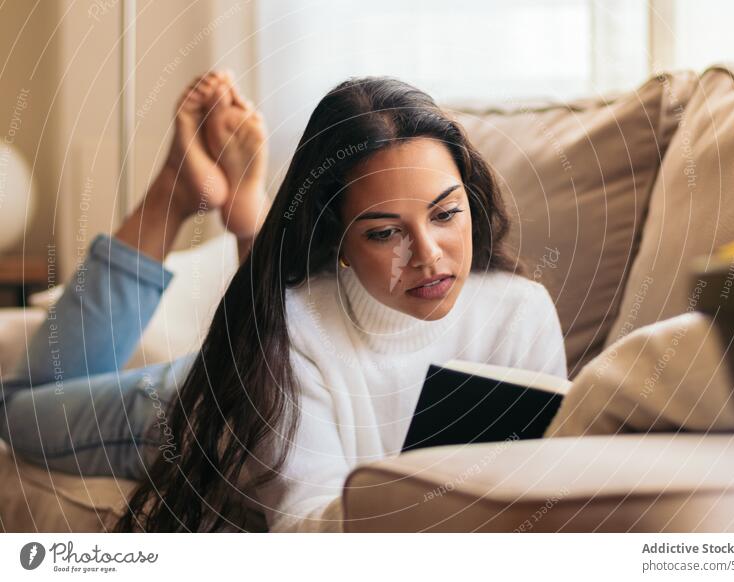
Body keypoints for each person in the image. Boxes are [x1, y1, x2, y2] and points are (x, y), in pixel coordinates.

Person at [0, 71, 568, 532]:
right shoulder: (293, 331)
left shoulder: (523, 312)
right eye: (383, 232)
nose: (428, 256)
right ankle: (175, 189)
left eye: (446, 214)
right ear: (337, 241)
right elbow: (304, 532)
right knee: (17, 411)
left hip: (274, 351)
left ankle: (249, 213)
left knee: (273, 324)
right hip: (207, 407)